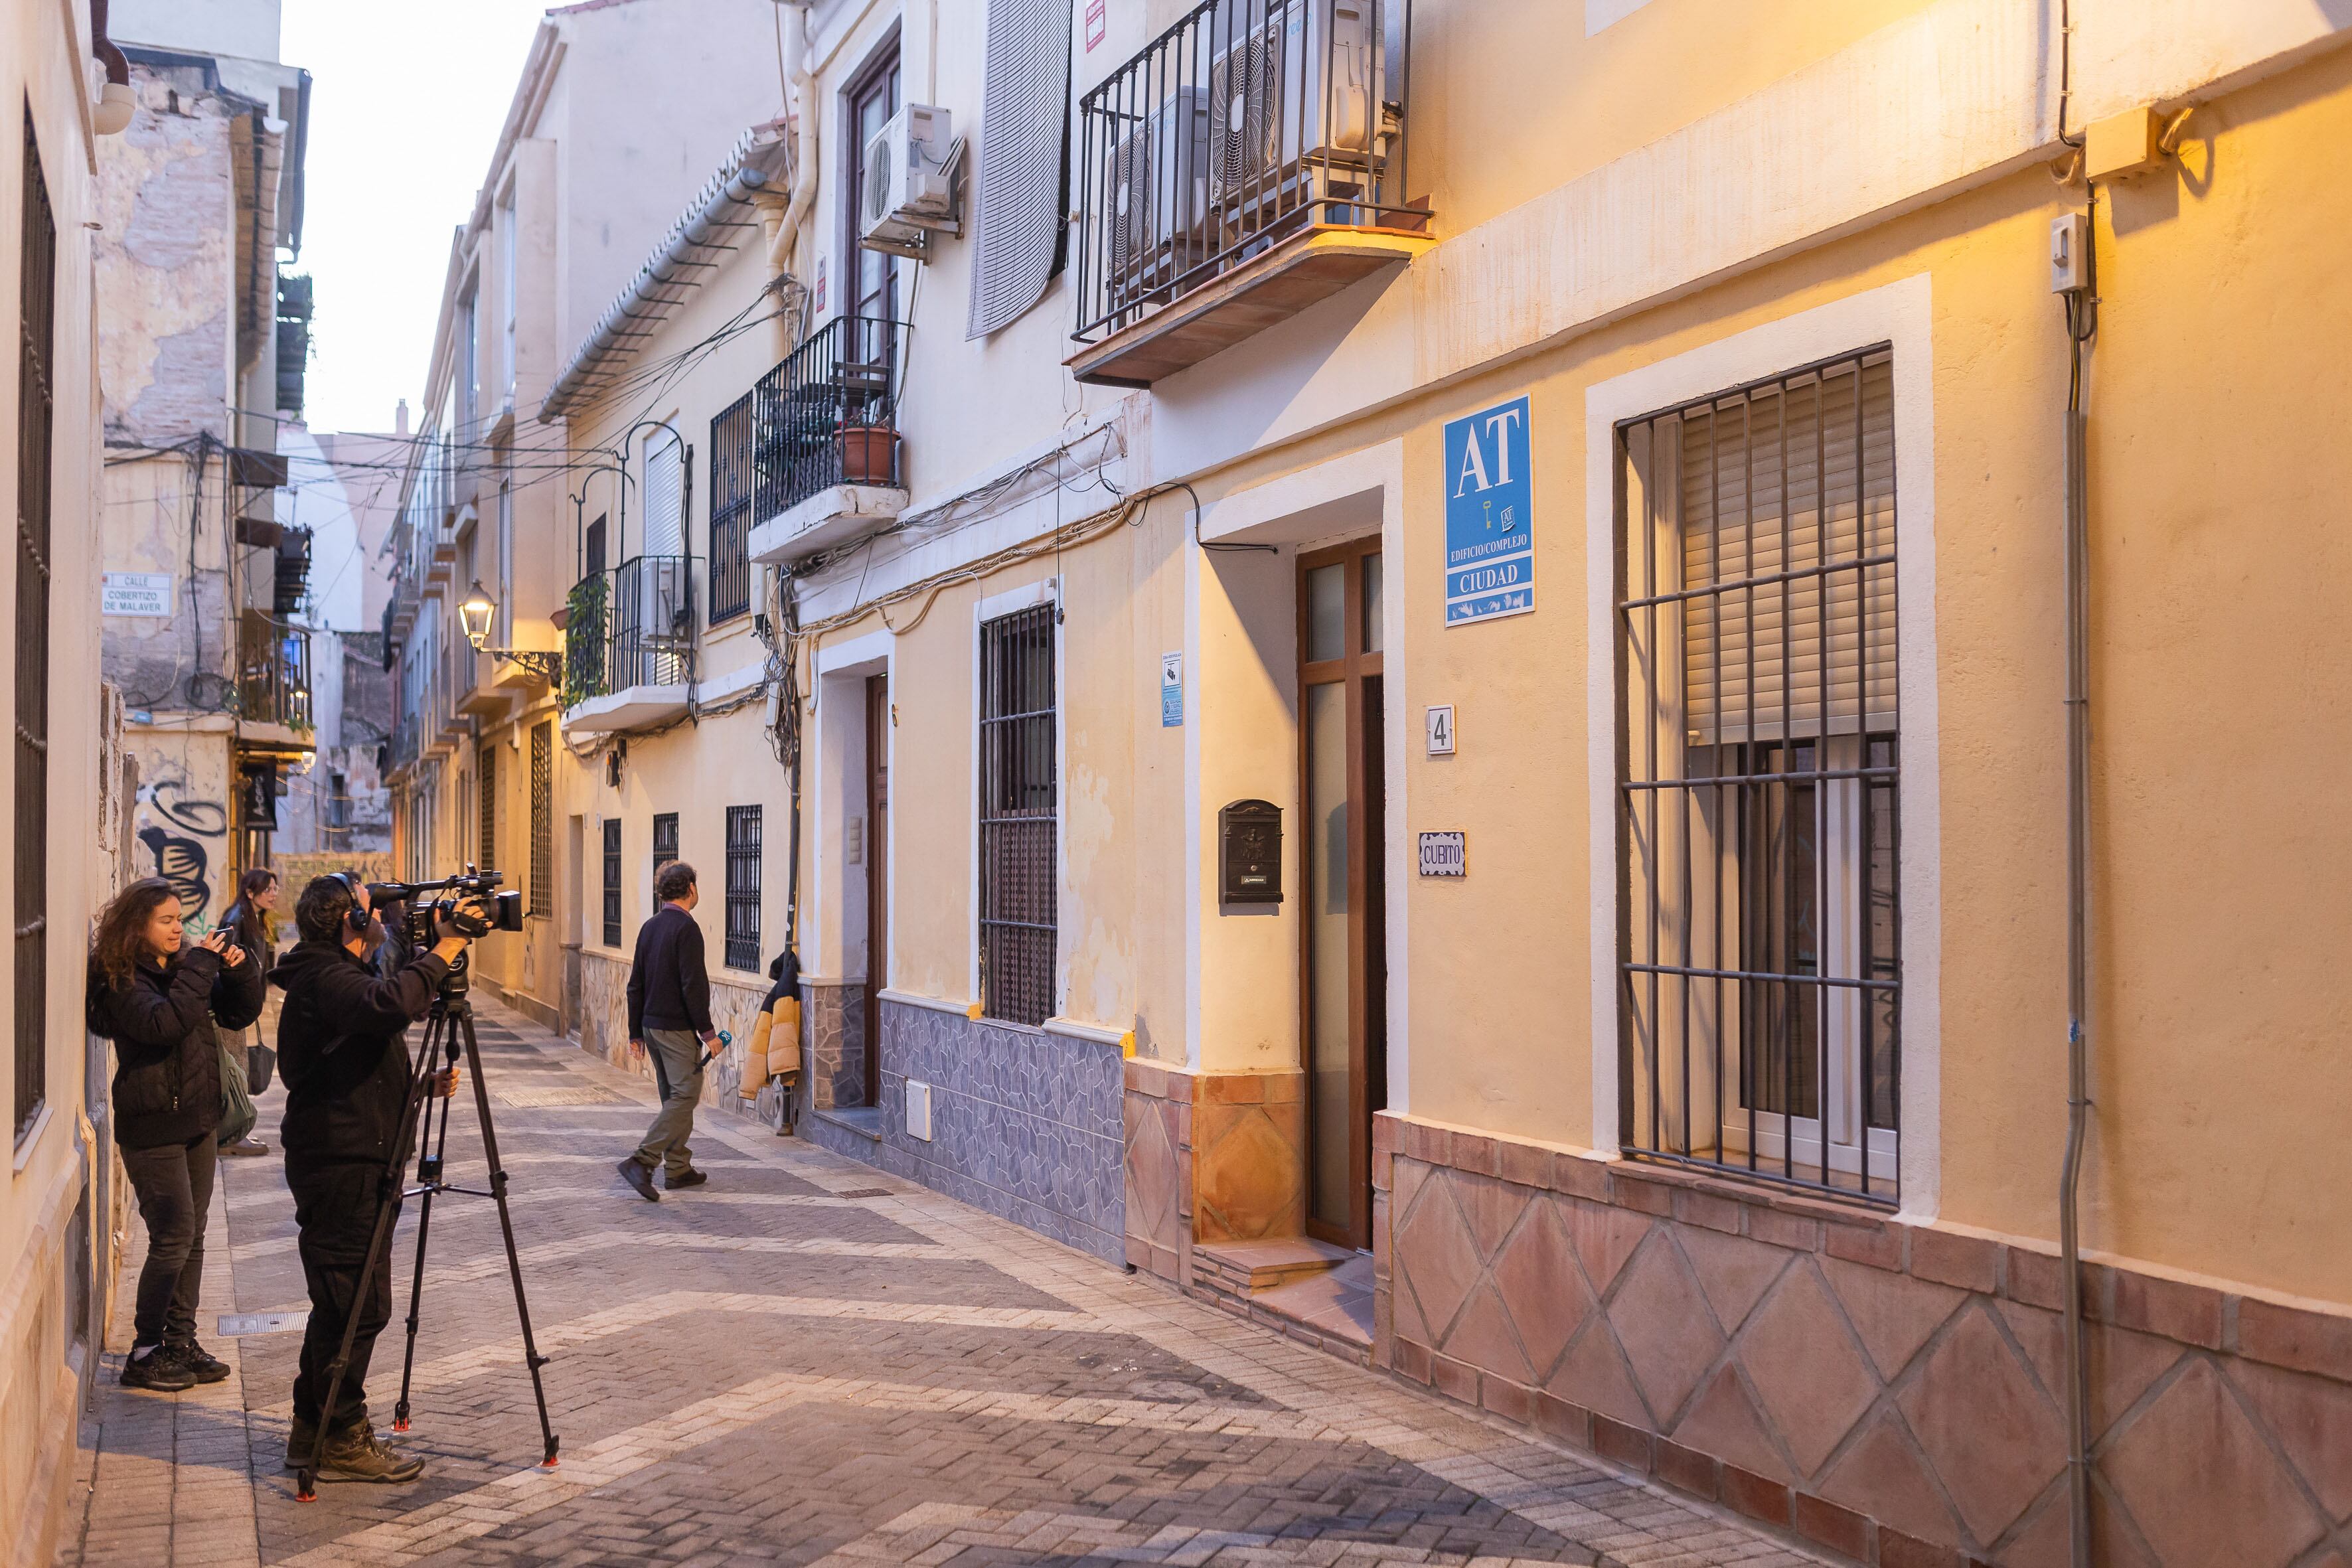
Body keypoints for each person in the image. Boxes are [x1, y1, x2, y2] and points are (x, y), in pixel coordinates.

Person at [270, 874, 481, 1484]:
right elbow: (389, 1007)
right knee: (355, 1304)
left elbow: (352, 1062)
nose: (384, 919)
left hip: (359, 1155)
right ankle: (338, 1434)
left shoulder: (335, 973)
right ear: (350, 924)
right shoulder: (323, 974)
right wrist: (443, 951)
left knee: (345, 1303)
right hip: (342, 1166)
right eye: (372, 911)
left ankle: (313, 1427)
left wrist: (417, 1087)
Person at [85, 877, 266, 1392]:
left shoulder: (181, 966)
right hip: (153, 1128)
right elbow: (164, 1024)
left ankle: (180, 1342)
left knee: (195, 1238)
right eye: (165, 920)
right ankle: (145, 1353)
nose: (177, 929)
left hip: (198, 1121)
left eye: (179, 919)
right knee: (172, 1238)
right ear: (137, 925)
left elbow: (237, 1013)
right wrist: (201, 967)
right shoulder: (122, 980)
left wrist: (239, 973)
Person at [617, 860, 718, 1201]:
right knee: (685, 1094)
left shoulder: (650, 927)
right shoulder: (686, 929)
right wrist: (708, 1033)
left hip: (651, 1027)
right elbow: (693, 986)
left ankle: (677, 1168)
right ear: (691, 888)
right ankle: (642, 1160)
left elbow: (636, 985)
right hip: (675, 1029)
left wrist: (635, 1033)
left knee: (672, 1097)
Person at [217, 868, 279, 1156]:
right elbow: (226, 961)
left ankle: (234, 1133)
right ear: (250, 892)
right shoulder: (236, 919)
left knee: (237, 1066)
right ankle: (231, 1135)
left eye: (275, 889)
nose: (274, 894)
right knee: (235, 1068)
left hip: (241, 1003)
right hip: (231, 1005)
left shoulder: (255, 919)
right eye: (268, 889)